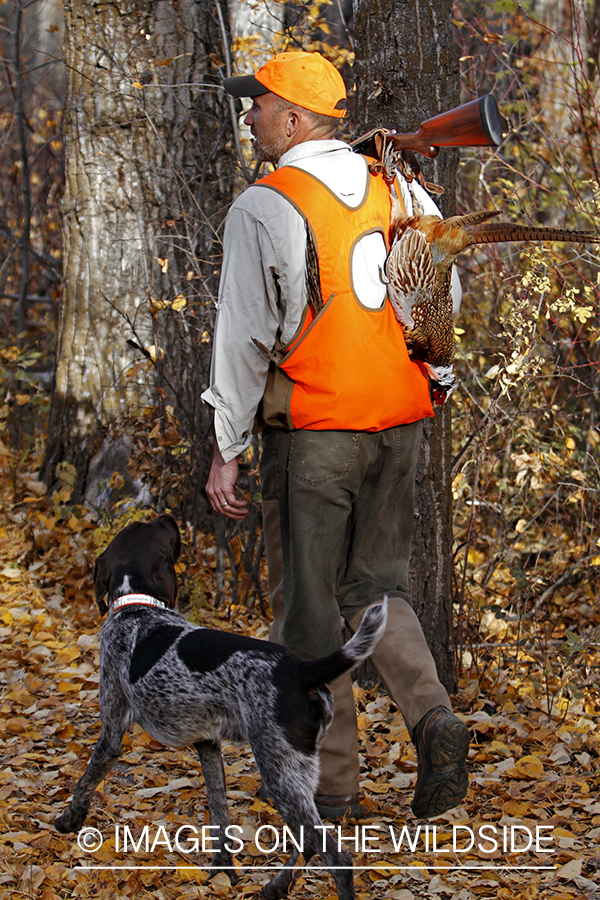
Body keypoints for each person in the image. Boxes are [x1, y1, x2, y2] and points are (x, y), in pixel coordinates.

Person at [202, 50, 469, 820]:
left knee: (310, 614)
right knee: (378, 589)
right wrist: (439, 380)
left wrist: (228, 447)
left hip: (317, 432)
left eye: (258, 103)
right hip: (399, 424)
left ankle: (333, 790)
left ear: (293, 117)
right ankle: (433, 716)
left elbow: (245, 337)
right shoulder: (399, 184)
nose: (248, 114)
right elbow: (437, 291)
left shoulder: (267, 204)